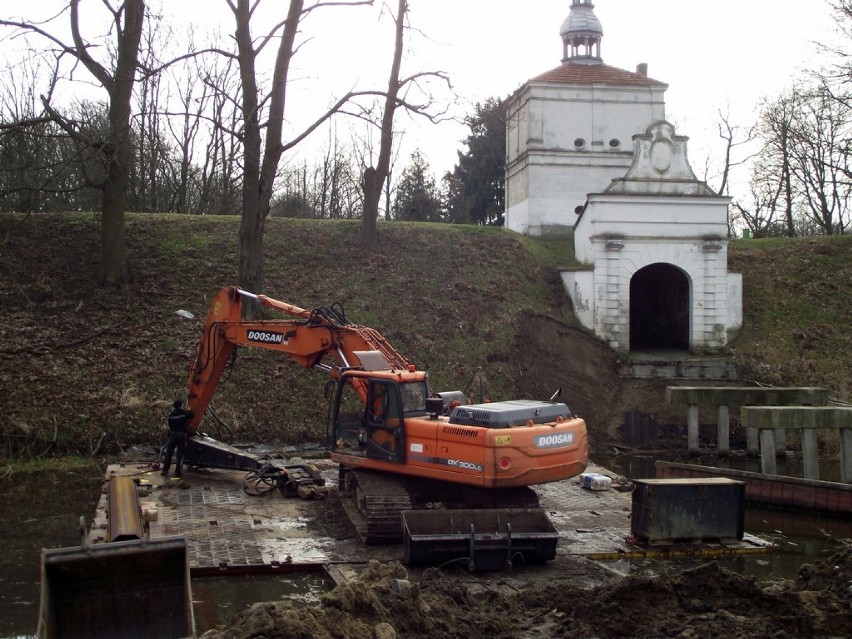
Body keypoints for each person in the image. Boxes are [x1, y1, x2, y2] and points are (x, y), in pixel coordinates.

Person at [161, 399, 194, 478]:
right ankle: (177, 472)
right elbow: (191, 414)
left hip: (172, 434)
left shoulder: (171, 415)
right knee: (180, 453)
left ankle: (165, 470)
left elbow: (170, 424)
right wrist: (189, 409)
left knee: (169, 453)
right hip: (182, 435)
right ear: (181, 406)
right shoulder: (183, 414)